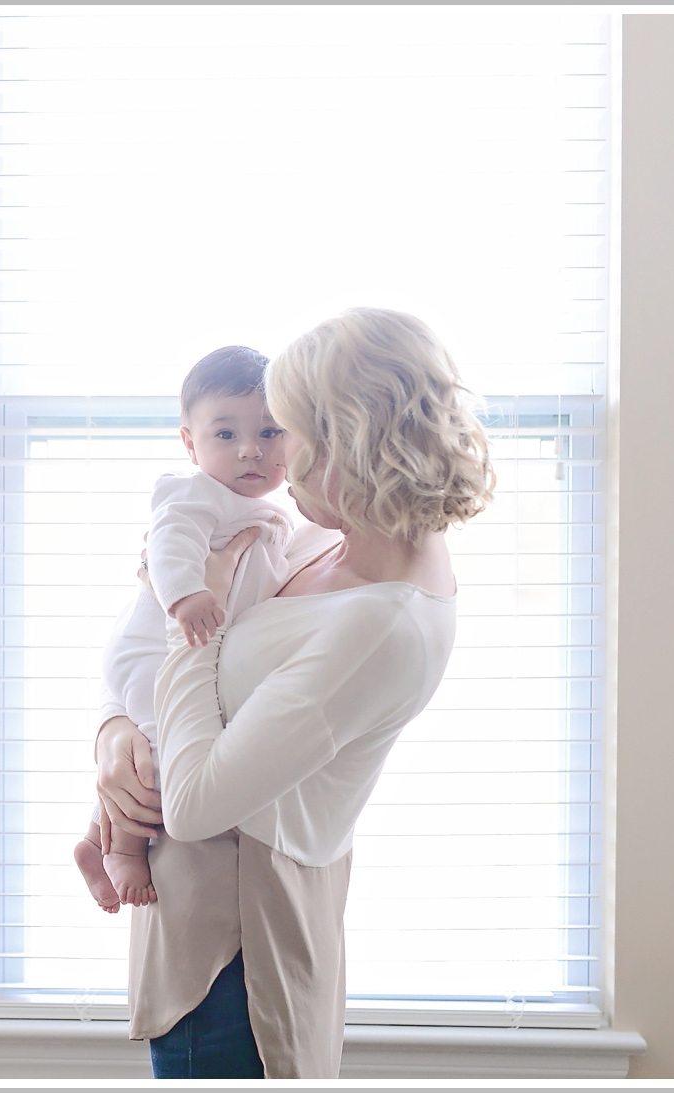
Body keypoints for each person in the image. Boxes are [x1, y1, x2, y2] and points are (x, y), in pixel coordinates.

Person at [93, 307, 494, 1078]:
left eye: (283, 428)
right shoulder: (334, 543)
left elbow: (198, 800)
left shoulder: (381, 623)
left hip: (238, 951)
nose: (265, 451)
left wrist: (186, 625)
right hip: (197, 916)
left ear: (347, 441)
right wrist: (113, 730)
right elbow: (165, 643)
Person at [74, 346, 295, 911]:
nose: (251, 449)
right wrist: (188, 595)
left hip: (175, 645)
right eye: (226, 434)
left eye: (270, 432)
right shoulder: (194, 493)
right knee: (157, 752)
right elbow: (170, 542)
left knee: (152, 743)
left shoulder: (268, 513)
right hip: (151, 645)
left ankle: (91, 837)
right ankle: (120, 850)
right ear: (189, 443)